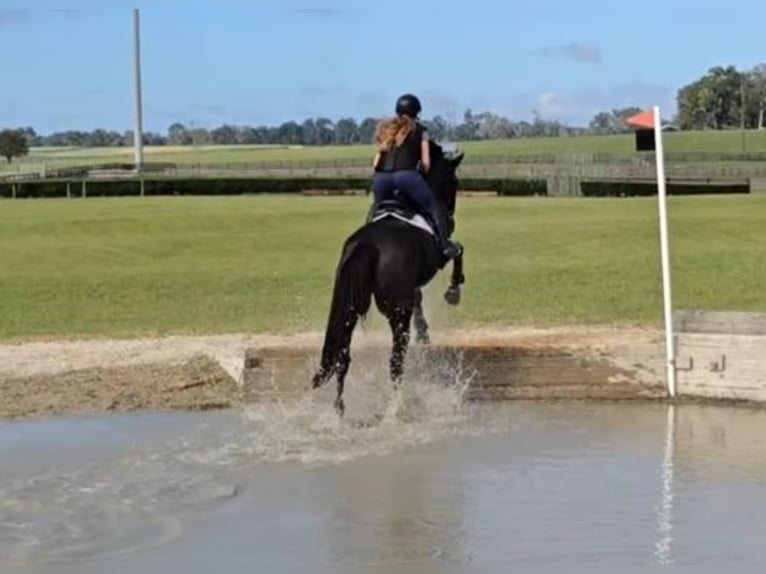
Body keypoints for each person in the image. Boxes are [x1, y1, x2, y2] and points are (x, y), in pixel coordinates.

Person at [369, 93, 461, 259]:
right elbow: (426, 163)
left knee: (375, 209)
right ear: (416, 112)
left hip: (381, 179)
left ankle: (367, 243)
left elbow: (376, 163)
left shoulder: (387, 129)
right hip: (407, 178)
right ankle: (444, 246)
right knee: (434, 207)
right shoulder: (420, 130)